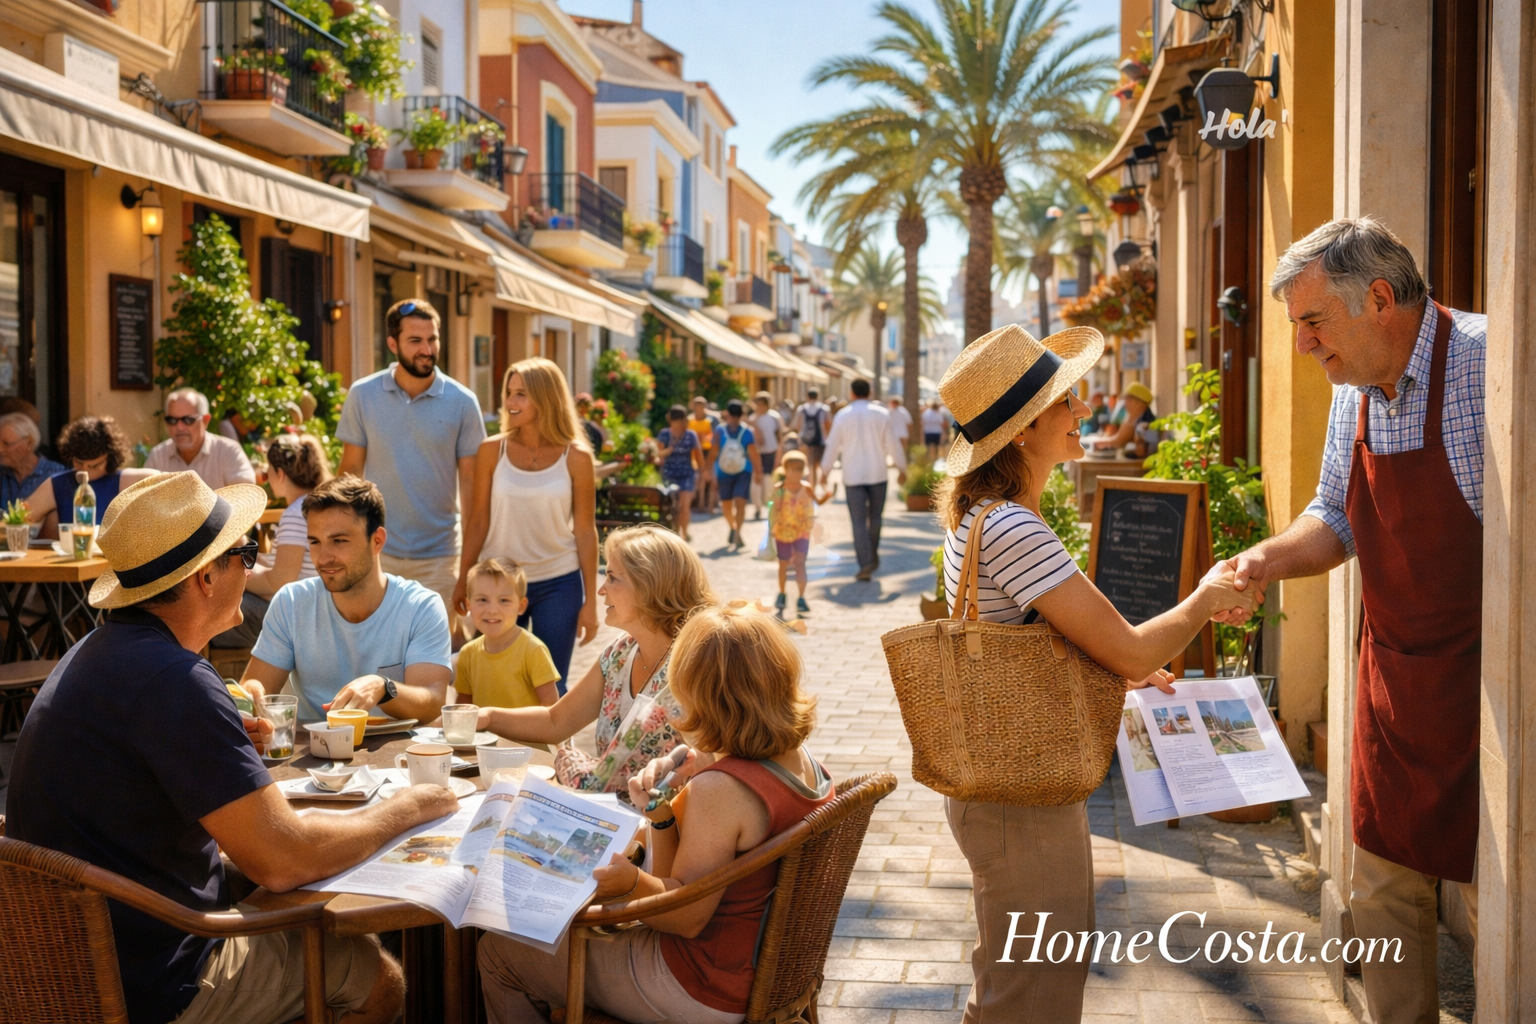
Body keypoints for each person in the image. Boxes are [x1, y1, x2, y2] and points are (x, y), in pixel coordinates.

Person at [6, 472, 457, 1024]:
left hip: (69, 960)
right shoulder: (175, 679)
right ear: (204, 578)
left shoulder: (98, 650)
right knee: (375, 977)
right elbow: (284, 860)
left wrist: (219, 740)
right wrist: (411, 806)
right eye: (245, 554)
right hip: (155, 978)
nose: (253, 567)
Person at [932, 323, 1257, 1023]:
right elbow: (1133, 649)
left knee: (1008, 988)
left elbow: (1035, 640)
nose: (1084, 413)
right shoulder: (1015, 529)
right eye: (1066, 404)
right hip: (1023, 796)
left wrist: (1115, 670)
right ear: (1022, 431)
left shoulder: (986, 518)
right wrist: (1204, 598)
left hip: (1004, 784)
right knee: (1034, 1001)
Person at [1213, 218, 1486, 1024]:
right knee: (1381, 891)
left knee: (1489, 906)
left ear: (1377, 299)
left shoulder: (1487, 363)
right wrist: (1264, 560)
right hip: (1395, 682)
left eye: (1311, 322)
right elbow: (1334, 514)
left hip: (1490, 693)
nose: (1302, 346)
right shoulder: (1352, 391)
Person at [477, 603, 834, 1024]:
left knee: (498, 953)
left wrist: (631, 883)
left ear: (705, 697)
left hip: (704, 985)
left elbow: (682, 919)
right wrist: (663, 815)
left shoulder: (721, 790)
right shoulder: (802, 761)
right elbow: (679, 886)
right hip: (759, 973)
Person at [475, 525, 714, 798]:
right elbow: (556, 722)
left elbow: (716, 764)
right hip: (611, 815)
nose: (601, 590)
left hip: (664, 825)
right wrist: (485, 716)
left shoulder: (695, 663)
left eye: (612, 578)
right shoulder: (619, 653)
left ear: (649, 585)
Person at [240, 475, 453, 724]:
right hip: (309, 751)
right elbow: (256, 686)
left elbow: (433, 703)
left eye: (339, 541)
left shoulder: (421, 607)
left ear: (377, 541)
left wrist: (383, 687)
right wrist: (251, 691)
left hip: (396, 753)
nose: (323, 557)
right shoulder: (291, 601)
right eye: (315, 542)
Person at [338, 298, 487, 624]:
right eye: (415, 340)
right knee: (376, 653)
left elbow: (474, 495)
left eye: (432, 339)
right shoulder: (363, 395)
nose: (427, 349)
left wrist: (466, 572)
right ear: (393, 343)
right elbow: (348, 481)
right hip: (377, 552)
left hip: (440, 557)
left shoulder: (463, 402)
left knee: (435, 662)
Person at [456, 358, 599, 694]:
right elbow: (477, 521)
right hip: (497, 583)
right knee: (491, 679)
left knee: (551, 685)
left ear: (546, 398)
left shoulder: (577, 456)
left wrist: (590, 602)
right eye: (509, 393)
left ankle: (553, 748)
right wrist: (463, 577)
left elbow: (585, 531)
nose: (509, 402)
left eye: (521, 394)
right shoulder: (492, 450)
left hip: (559, 583)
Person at [211, 432, 330, 649]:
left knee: (212, 613)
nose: (267, 478)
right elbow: (285, 570)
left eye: (268, 473)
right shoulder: (315, 505)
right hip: (315, 610)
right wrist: (247, 556)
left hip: (302, 618)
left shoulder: (296, 513)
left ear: (280, 474)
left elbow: (280, 582)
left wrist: (235, 568)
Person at [821, 379, 906, 581]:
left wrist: (824, 471)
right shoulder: (882, 413)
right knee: (875, 517)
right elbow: (893, 444)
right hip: (878, 474)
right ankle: (871, 556)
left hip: (852, 476)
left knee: (858, 521)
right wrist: (902, 468)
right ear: (869, 392)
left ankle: (866, 562)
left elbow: (832, 445)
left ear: (851, 393)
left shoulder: (842, 415)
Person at [454, 558, 561, 711]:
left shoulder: (533, 650)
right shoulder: (467, 654)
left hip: (526, 735)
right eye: (482, 600)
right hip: (482, 735)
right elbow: (463, 709)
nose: (492, 610)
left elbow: (550, 709)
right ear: (469, 604)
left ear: (521, 606)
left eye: (504, 600)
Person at [25, 416, 158, 539]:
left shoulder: (124, 480)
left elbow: (172, 483)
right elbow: (17, 519)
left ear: (111, 458)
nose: (84, 470)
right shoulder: (57, 484)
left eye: (94, 466)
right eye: (78, 463)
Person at [145, 387, 258, 488]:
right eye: (172, 420)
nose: (179, 427)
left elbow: (245, 495)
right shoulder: (158, 456)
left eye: (188, 420)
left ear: (205, 420)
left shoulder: (228, 452)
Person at [769, 450, 832, 615]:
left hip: (802, 532)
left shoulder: (807, 488)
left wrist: (827, 495)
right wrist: (771, 530)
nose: (796, 473)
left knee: (800, 563)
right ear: (785, 469)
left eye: (799, 469)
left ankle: (801, 597)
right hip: (783, 532)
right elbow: (773, 510)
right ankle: (782, 593)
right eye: (792, 469)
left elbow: (817, 502)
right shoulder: (779, 489)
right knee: (783, 564)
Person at [709, 400, 762, 550]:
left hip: (743, 471)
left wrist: (758, 472)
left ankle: (737, 533)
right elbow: (714, 451)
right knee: (726, 504)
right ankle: (733, 527)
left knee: (740, 503)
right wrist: (708, 470)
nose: (734, 420)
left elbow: (753, 453)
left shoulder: (747, 432)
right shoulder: (720, 431)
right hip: (723, 471)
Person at [655, 404, 703, 541]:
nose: (676, 425)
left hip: (687, 474)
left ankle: (684, 532)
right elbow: (657, 454)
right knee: (672, 506)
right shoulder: (664, 434)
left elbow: (699, 456)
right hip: (669, 474)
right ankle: (675, 532)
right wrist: (666, 451)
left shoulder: (690, 435)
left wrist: (701, 474)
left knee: (684, 505)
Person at [0, 411, 64, 509]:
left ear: (29, 442)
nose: (0, 449)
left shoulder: (56, 475)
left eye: (6, 444)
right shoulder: (2, 473)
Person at [746, 391, 783, 521]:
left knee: (768, 482)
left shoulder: (774, 417)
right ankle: (757, 508)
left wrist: (779, 456)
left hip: (770, 453)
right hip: (756, 453)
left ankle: (770, 508)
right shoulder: (752, 418)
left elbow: (780, 437)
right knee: (756, 482)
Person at [1088, 382, 1154, 453]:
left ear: (1137, 402)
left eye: (1127, 398)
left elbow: (1118, 442)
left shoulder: (1144, 422)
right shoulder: (1133, 417)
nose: (1124, 402)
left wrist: (1100, 443)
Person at [791, 389, 831, 487]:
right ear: (818, 396)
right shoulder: (824, 408)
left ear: (807, 396)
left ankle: (811, 485)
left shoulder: (802, 408)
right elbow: (829, 424)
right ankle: (822, 483)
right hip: (821, 441)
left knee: (810, 465)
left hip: (805, 442)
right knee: (821, 463)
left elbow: (797, 425)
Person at [687, 396, 720, 512]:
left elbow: (717, 436)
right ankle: (701, 504)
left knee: (712, 480)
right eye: (697, 406)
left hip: (709, 452)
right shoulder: (689, 420)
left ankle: (711, 505)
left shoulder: (713, 420)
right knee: (700, 478)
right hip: (695, 453)